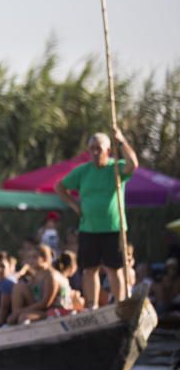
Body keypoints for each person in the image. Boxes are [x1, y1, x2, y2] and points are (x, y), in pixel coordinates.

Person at [55, 128, 138, 309]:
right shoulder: (83, 171)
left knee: (114, 269)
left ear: (107, 150)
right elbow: (60, 187)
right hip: (89, 228)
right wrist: (75, 205)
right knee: (89, 269)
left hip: (113, 227)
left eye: (98, 148)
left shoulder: (115, 168)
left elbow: (133, 164)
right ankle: (92, 305)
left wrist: (121, 140)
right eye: (91, 148)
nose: (94, 152)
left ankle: (120, 304)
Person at [7, 244, 71, 324]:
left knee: (24, 317)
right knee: (19, 287)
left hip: (57, 310)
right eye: (29, 257)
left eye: (34, 257)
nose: (30, 260)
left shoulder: (51, 276)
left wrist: (19, 312)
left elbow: (46, 303)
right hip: (44, 310)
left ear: (44, 258)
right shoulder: (36, 276)